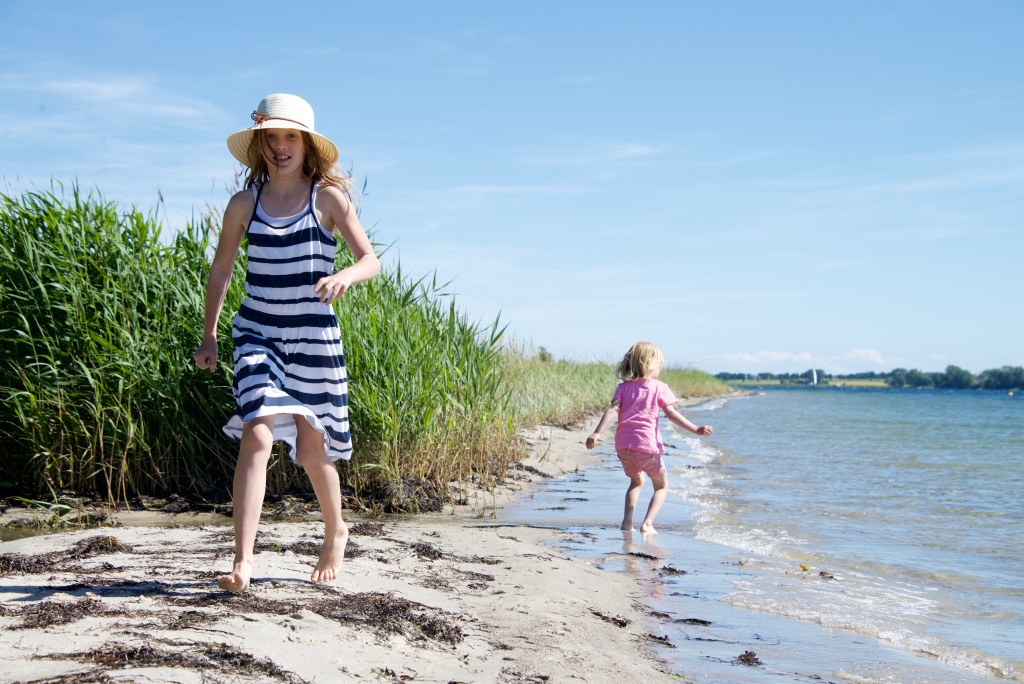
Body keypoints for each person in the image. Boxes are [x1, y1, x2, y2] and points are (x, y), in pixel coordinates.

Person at [193, 94, 379, 593]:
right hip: (258, 332)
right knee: (256, 433)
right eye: (271, 137)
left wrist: (344, 276)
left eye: (290, 136)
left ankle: (336, 530)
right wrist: (210, 334)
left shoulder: (327, 199)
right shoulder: (244, 204)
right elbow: (222, 270)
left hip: (313, 337)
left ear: (307, 144)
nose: (280, 146)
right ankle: (243, 561)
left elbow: (370, 260)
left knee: (312, 452)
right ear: (259, 145)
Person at [585, 341, 712, 536]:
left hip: (623, 447)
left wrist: (597, 433)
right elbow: (671, 414)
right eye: (659, 365)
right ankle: (647, 524)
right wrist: (695, 429)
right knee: (662, 486)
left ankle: (627, 523)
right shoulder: (659, 387)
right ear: (650, 365)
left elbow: (612, 410)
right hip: (646, 446)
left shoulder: (623, 387)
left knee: (636, 482)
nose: (660, 369)